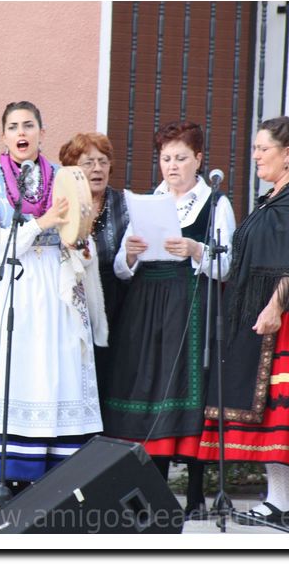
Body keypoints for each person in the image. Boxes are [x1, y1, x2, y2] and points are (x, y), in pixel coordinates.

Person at [0, 101, 106, 489]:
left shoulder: (65, 177)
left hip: (55, 285)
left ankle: (56, 474)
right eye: (13, 126)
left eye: (28, 125)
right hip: (11, 284)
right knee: (14, 373)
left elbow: (81, 231)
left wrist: (80, 242)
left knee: (56, 370)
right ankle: (9, 476)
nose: (21, 132)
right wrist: (40, 223)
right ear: (4, 136)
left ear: (42, 133)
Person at [101, 120, 236, 519]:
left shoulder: (215, 203)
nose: (172, 166)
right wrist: (130, 253)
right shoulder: (146, 202)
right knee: (148, 387)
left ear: (198, 159)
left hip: (188, 301)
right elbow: (122, 268)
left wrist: (195, 249)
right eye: (165, 158)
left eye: (180, 158)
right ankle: (154, 488)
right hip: (145, 302)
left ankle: (194, 494)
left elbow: (227, 264)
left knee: (187, 389)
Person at [198, 117, 289, 527]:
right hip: (265, 313)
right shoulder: (276, 196)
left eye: (262, 149)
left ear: (288, 154)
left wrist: (275, 307)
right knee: (270, 413)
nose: (255, 156)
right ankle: (279, 502)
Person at [58, 132, 129, 398]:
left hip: (116, 300)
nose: (97, 168)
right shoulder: (62, 205)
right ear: (73, 169)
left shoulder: (125, 204)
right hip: (74, 298)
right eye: (88, 163)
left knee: (109, 375)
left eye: (103, 161)